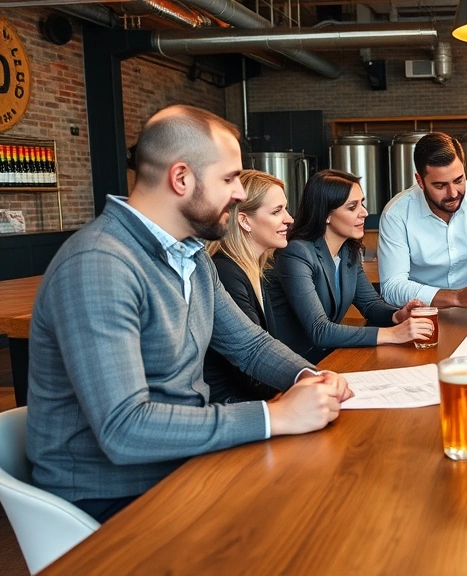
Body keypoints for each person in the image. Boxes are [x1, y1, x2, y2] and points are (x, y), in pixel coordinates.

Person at [26, 105, 352, 523]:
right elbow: (125, 430)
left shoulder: (192, 257)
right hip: (112, 497)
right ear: (181, 178)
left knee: (326, 500)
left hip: (181, 465)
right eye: (229, 178)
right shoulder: (99, 263)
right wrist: (275, 415)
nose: (238, 193)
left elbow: (249, 345)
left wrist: (309, 377)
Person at [269, 169, 433, 364]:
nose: (364, 213)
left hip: (327, 358)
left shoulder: (347, 251)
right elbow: (319, 330)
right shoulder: (296, 253)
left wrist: (397, 315)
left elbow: (370, 305)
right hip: (291, 365)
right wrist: (392, 334)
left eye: (361, 203)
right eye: (352, 207)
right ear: (326, 215)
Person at [378, 132, 467, 308]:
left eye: (458, 180)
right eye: (440, 185)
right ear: (420, 181)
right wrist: (456, 297)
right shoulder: (396, 214)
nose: (453, 193)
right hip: (421, 313)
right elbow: (392, 287)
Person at [203, 169, 293, 403]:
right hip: (232, 408)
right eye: (277, 211)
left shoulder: (253, 267)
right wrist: (302, 389)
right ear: (244, 220)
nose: (289, 218)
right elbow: (248, 368)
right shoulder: (226, 272)